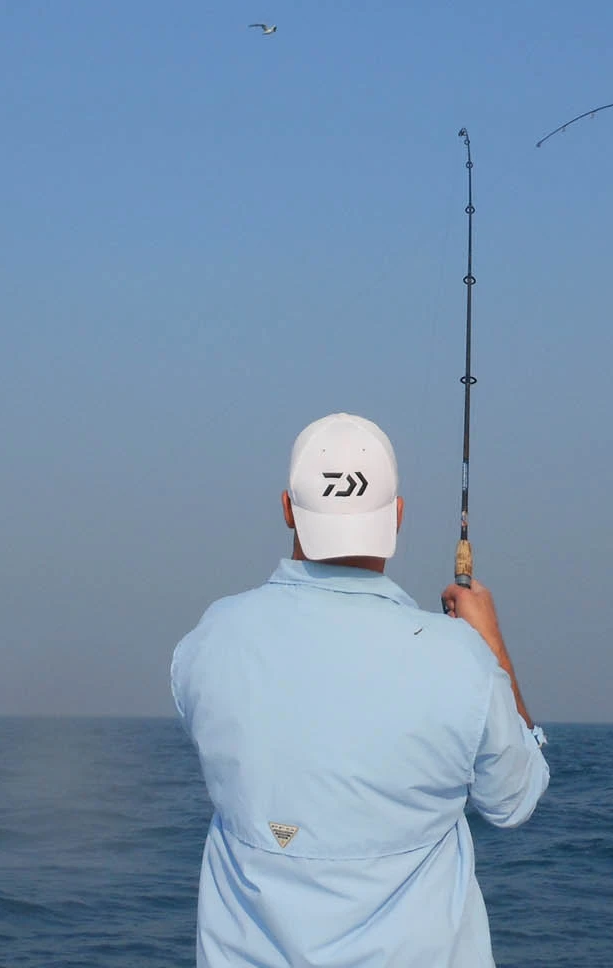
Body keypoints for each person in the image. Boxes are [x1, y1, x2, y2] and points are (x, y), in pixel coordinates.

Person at [171, 412, 549, 968]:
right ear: (395, 517)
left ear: (287, 509)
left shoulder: (208, 641)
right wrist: (491, 647)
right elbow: (515, 799)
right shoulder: (460, 660)